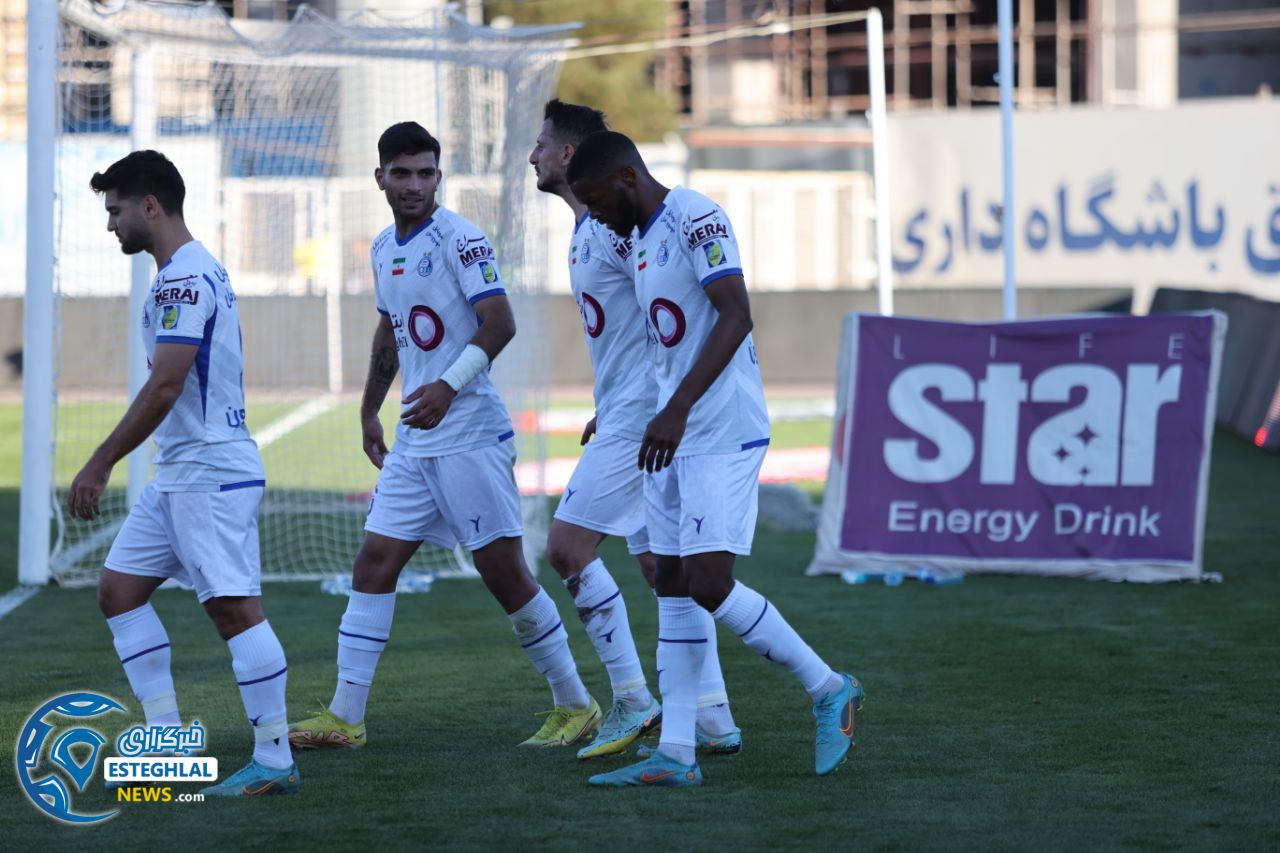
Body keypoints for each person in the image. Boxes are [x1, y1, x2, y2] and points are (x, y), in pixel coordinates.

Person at [564, 131, 865, 787]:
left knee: (707, 581)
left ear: (624, 177)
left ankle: (828, 686)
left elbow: (736, 315)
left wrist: (676, 408)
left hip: (719, 429)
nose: (595, 214)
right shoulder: (639, 239)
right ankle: (677, 750)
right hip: (671, 431)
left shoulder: (697, 215)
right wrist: (625, 409)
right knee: (671, 583)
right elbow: (657, 341)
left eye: (596, 200)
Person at [289, 122, 600, 752]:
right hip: (414, 441)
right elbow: (390, 335)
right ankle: (346, 717)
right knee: (374, 562)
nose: (414, 185)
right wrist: (369, 410)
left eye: (425, 173)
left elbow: (499, 322)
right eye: (401, 173)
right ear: (380, 177)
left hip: (469, 436)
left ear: (439, 177)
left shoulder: (462, 239)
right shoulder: (382, 248)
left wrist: (449, 386)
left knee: (506, 575)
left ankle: (577, 704)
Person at [71, 150, 299, 797]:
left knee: (234, 609)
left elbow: (167, 383)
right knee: (118, 590)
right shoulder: (184, 272)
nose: (111, 224)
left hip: (209, 470)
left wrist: (101, 458)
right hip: (181, 473)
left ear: (150, 206)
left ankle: (275, 757)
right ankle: (166, 745)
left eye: (115, 210)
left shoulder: (182, 280)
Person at [529, 100, 743, 760]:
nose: (532, 156)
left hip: (644, 418)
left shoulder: (620, 229)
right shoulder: (591, 227)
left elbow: (674, 312)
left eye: (541, 144)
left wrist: (658, 401)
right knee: (659, 568)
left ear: (570, 156)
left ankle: (632, 697)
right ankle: (713, 716)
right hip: (630, 410)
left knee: (567, 546)